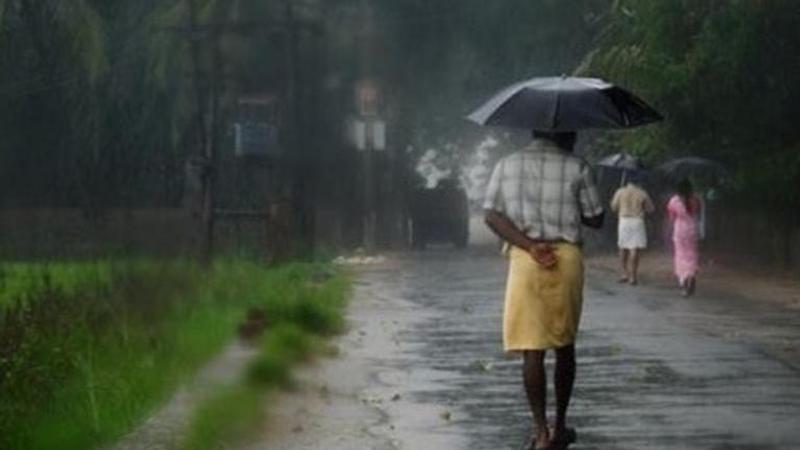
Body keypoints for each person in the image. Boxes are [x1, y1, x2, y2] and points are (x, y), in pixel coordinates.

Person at [484, 130, 604, 450]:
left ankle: (539, 432)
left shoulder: (506, 165)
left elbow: (491, 214)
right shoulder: (578, 166)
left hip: (526, 258)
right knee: (564, 343)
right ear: (564, 135)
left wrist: (529, 245)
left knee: (531, 348)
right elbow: (596, 218)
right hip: (566, 258)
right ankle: (560, 426)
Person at [610, 173, 655, 285]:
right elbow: (651, 209)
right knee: (634, 248)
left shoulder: (620, 191)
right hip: (637, 221)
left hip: (624, 221)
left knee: (622, 246)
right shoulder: (642, 193)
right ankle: (633, 276)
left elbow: (613, 207)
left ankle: (624, 273)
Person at [667, 178, 702, 296]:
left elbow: (672, 217)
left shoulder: (674, 201)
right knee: (692, 254)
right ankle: (691, 274)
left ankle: (683, 279)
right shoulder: (696, 199)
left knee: (680, 254)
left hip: (680, 229)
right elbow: (698, 212)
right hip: (692, 228)